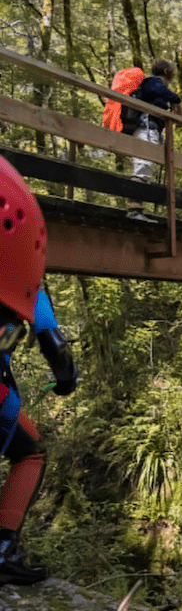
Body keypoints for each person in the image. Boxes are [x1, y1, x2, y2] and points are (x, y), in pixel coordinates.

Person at [0, 158, 78, 584]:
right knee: (30, 452)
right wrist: (66, 380)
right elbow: (52, 343)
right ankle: (3, 547)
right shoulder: (26, 285)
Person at [128, 58, 182, 222]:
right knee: (142, 166)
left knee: (145, 168)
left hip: (152, 131)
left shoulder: (155, 86)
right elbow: (161, 91)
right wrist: (177, 101)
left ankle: (137, 209)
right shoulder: (152, 82)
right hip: (146, 129)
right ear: (167, 72)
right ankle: (134, 211)